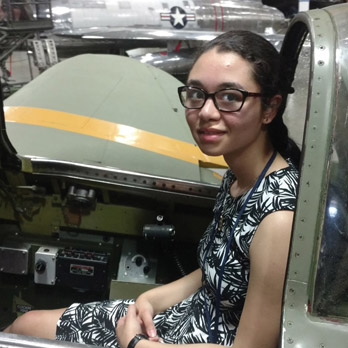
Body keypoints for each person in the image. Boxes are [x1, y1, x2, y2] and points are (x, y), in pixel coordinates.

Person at [4, 30, 300, 348]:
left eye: (229, 97)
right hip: (183, 317)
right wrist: (151, 299)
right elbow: (214, 273)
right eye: (197, 94)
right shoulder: (239, 177)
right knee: (25, 326)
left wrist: (137, 344)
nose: (206, 113)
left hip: (201, 341)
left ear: (269, 108)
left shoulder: (278, 217)